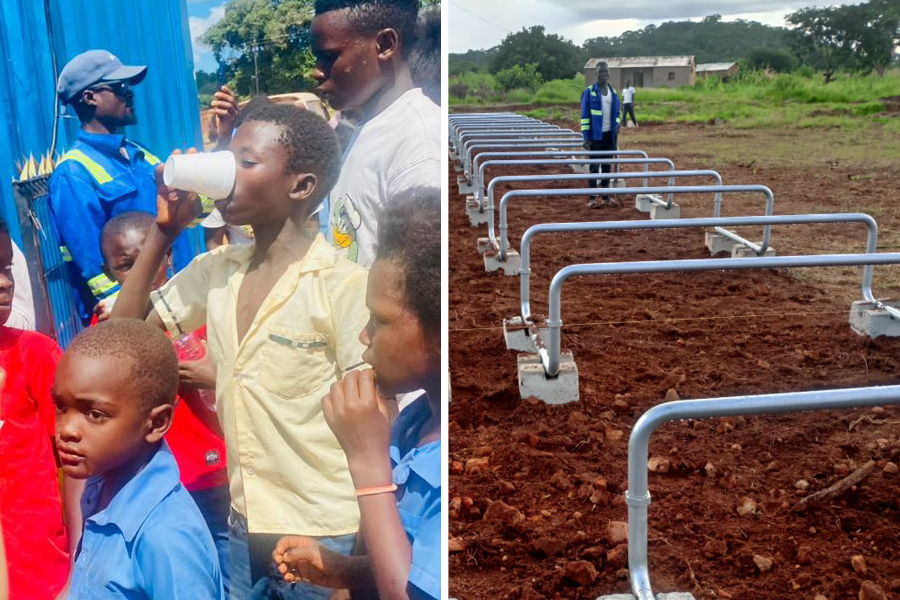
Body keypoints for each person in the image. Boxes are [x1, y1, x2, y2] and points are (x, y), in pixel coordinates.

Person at [110, 103, 370, 600]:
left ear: (301, 186)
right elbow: (123, 334)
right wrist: (165, 230)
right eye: (228, 158)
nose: (228, 174)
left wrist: (354, 561)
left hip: (324, 528)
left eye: (246, 163)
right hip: (244, 521)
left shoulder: (342, 288)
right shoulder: (218, 272)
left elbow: (372, 419)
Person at [273, 190, 441, 600]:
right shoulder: (414, 422)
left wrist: (367, 463)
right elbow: (416, 562)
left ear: (439, 333)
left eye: (379, 321)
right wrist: (346, 570)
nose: (364, 336)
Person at [99, 211, 230, 589]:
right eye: (125, 265)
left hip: (216, 477)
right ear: (109, 273)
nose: (143, 270)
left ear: (169, 256)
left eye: (152, 257)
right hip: (157, 490)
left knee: (231, 579)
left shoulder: (201, 313)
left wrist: (212, 375)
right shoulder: (106, 330)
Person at [53, 319, 223, 599]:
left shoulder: (167, 537)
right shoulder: (98, 485)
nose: (66, 429)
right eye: (61, 407)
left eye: (95, 414)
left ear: (157, 423)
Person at [49, 49, 203, 323]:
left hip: (177, 299)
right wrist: (125, 314)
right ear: (89, 97)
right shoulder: (73, 174)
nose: (130, 93)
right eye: (121, 87)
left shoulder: (140, 154)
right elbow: (94, 268)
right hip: (140, 316)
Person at [311, 0, 440, 268]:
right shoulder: (366, 129)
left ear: (385, 45)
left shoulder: (420, 145)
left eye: (329, 56)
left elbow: (415, 289)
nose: (316, 71)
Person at [0, 217, 83, 600]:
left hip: (39, 570)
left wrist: (80, 561)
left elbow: (78, 460)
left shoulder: (35, 354)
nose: (5, 282)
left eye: (5, 267)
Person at [580, 61, 622, 208]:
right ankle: (592, 198)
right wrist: (586, 137)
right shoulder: (590, 91)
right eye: (601, 72)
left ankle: (605, 196)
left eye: (606, 71)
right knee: (594, 166)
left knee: (606, 166)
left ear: (608, 74)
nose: (604, 74)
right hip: (595, 136)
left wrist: (617, 124)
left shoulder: (613, 92)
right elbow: (585, 116)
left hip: (609, 136)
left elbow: (617, 112)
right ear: (596, 74)